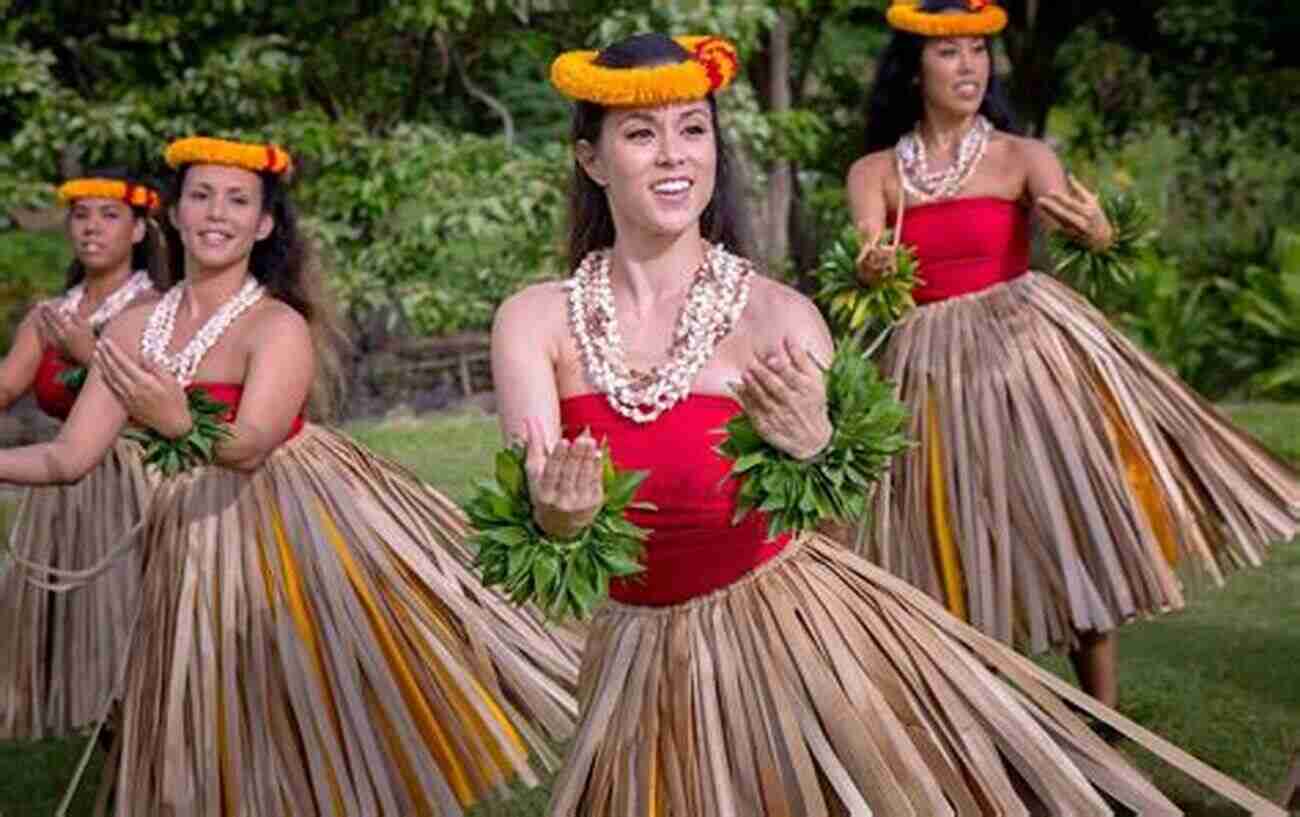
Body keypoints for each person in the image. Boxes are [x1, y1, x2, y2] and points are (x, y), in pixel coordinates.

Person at [492, 31, 1285, 817]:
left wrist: (814, 449)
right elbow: (539, 521)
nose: (673, 154)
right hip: (635, 654)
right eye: (641, 133)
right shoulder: (535, 322)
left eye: (693, 129)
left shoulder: (781, 317)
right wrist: (560, 519)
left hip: (782, 640)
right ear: (591, 158)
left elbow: (841, 531)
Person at [0, 137, 578, 816]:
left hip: (286, 529)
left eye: (238, 200)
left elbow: (250, 443)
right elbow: (69, 457)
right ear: (175, 215)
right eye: (202, 195)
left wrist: (175, 418)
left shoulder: (277, 326)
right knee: (202, 714)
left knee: (294, 712)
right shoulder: (132, 329)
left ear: (265, 223)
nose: (218, 213)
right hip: (186, 537)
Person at [845, 0, 1300, 706]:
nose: (969, 66)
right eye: (948, 52)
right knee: (953, 535)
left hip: (1024, 360)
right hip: (928, 371)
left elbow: (1083, 225)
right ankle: (986, 713)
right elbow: (866, 257)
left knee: (1064, 521)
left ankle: (1106, 719)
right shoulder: (876, 172)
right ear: (913, 68)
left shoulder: (1023, 157)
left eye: (977, 51)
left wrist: (1097, 233)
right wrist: (871, 269)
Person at [0, 170, 170, 739]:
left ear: (141, 230)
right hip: (63, 491)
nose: (91, 227)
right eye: (80, 215)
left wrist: (90, 351)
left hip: (134, 485)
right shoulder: (50, 314)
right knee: (81, 636)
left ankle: (153, 739)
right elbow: (6, 386)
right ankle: (111, 746)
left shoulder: (160, 309)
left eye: (109, 215)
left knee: (135, 625)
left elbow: (163, 402)